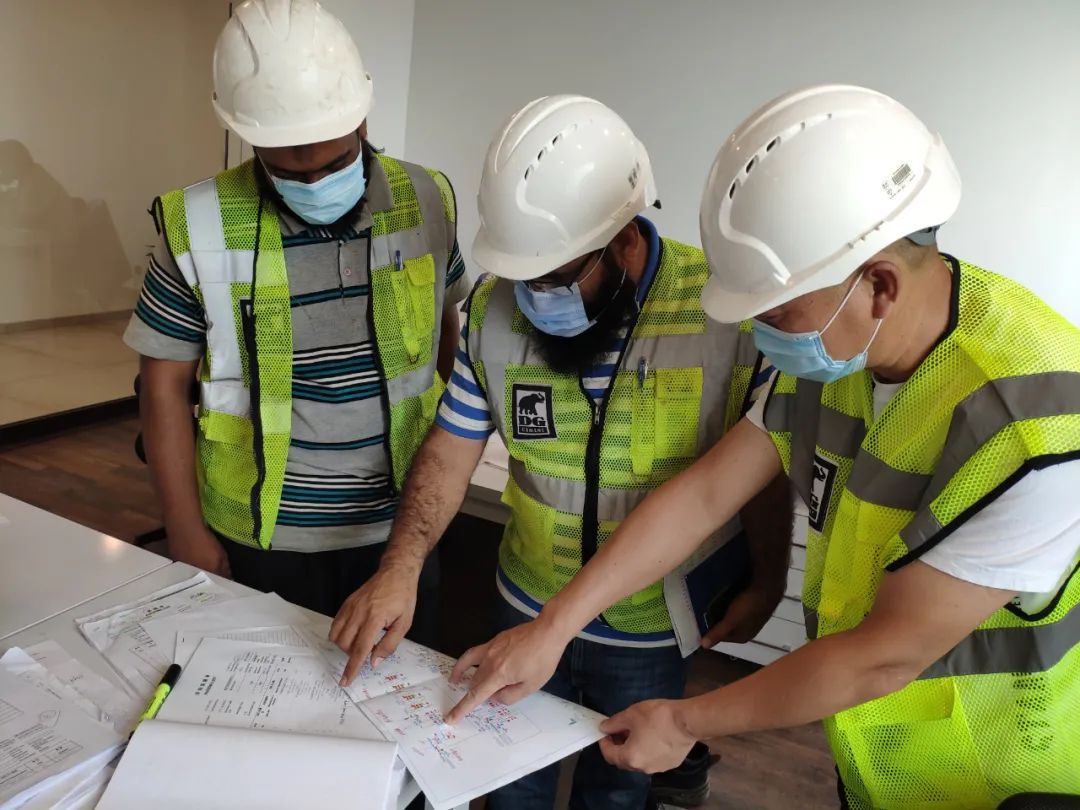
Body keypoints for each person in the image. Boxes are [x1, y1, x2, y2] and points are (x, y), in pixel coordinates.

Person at [445, 84, 1080, 808]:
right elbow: (706, 493)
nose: (763, 332)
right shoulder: (842, 355)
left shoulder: (1034, 426)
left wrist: (685, 721)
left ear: (878, 285)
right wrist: (553, 627)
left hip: (999, 777)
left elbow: (882, 659)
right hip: (878, 757)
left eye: (776, 313)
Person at [329, 95, 792, 810]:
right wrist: (402, 565)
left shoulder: (722, 315)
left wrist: (768, 577)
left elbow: (751, 476)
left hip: (649, 628)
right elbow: (450, 448)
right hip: (525, 597)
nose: (535, 296)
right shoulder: (492, 310)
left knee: (617, 791)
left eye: (556, 277)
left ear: (625, 239)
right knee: (507, 782)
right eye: (526, 277)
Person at [124, 0, 467, 620]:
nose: (313, 186)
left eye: (334, 165)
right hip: (261, 532)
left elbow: (444, 336)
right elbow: (162, 386)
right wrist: (184, 530)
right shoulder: (197, 222)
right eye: (286, 168)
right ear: (251, 138)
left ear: (361, 119)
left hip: (398, 528)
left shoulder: (427, 198)